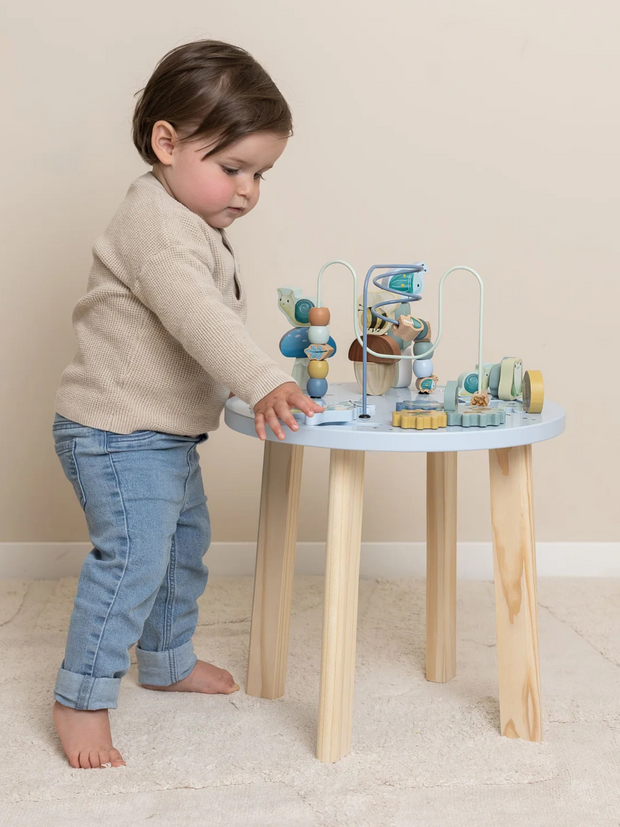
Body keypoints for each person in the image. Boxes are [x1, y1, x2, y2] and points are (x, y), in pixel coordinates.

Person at [51, 39, 324, 770]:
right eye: (232, 167)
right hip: (114, 430)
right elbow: (199, 317)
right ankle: (81, 697)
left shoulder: (189, 222)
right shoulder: (156, 226)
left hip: (160, 432)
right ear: (165, 143)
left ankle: (166, 656)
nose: (247, 190)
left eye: (261, 174)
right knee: (135, 557)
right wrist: (262, 379)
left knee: (181, 550)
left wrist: (252, 377)